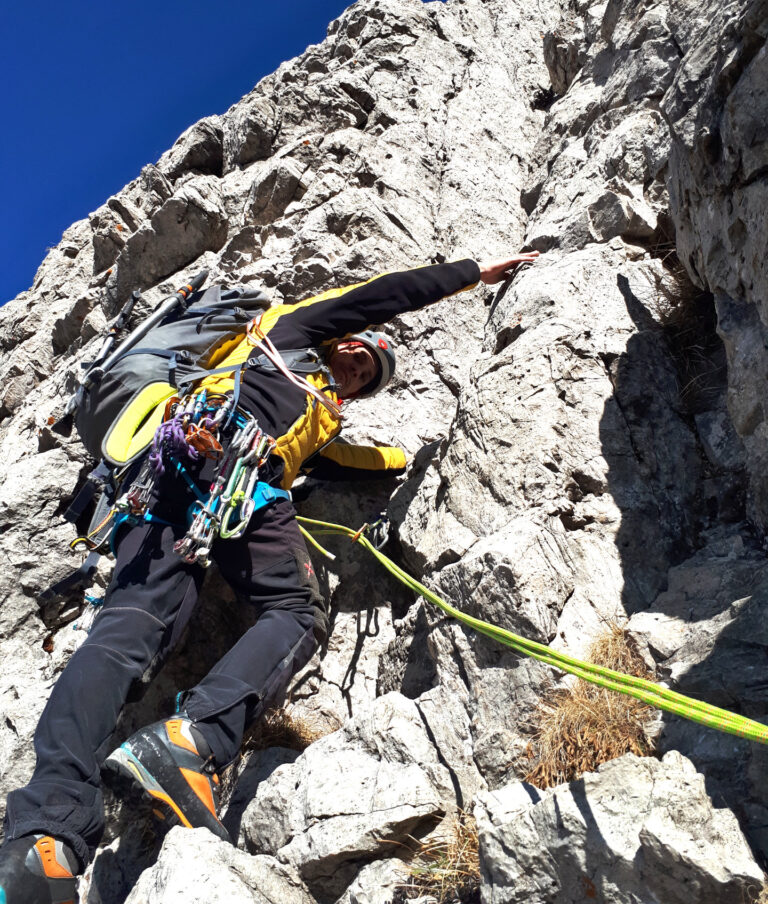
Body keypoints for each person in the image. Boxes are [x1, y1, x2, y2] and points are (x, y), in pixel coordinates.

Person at [0, 251, 538, 903]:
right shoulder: (292, 330)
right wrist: (470, 274)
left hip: (166, 475)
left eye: (367, 377)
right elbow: (386, 292)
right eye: (361, 353)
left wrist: (417, 454)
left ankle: (40, 848)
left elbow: (360, 461)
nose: (359, 368)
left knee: (127, 639)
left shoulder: (318, 415)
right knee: (295, 610)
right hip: (227, 464)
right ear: (346, 334)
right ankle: (190, 743)